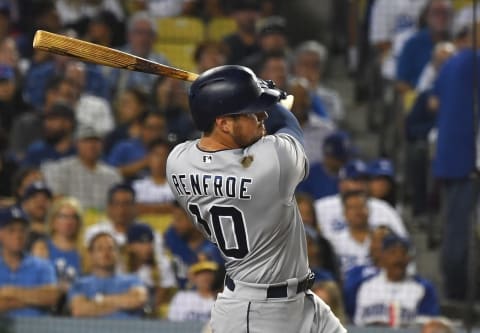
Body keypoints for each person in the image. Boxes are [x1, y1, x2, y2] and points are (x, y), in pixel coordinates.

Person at [166, 65, 345, 332]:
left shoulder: (177, 160)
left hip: (297, 301)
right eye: (251, 111)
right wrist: (268, 93)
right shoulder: (271, 162)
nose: (262, 114)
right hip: (259, 314)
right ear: (223, 123)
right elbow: (287, 122)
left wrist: (245, 90)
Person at [353, 233, 439, 327]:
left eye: (403, 253)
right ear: (383, 257)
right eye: (392, 252)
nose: (398, 258)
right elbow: (358, 324)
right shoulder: (366, 286)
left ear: (409, 259)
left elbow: (429, 327)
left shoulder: (423, 288)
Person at [68, 231, 147, 318]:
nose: (106, 253)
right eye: (100, 249)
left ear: (118, 254)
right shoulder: (80, 284)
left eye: (111, 248)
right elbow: (79, 310)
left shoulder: (133, 280)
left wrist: (100, 300)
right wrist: (123, 303)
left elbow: (137, 300)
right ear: (91, 254)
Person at [42, 125, 122, 211]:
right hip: (73, 220)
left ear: (102, 145)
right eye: (86, 141)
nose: (91, 145)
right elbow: (56, 200)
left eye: (95, 141)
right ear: (76, 144)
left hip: (105, 221)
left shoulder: (113, 174)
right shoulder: (62, 168)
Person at [0, 205, 60, 317]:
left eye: (22, 230)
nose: (18, 235)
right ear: (0, 233)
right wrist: (34, 298)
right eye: (11, 230)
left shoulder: (43, 266)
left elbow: (51, 297)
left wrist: (9, 292)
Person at [124, 223, 177, 317]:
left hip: (153, 316)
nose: (148, 247)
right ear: (130, 246)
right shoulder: (120, 266)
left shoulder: (162, 265)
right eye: (142, 242)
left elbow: (162, 297)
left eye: (150, 242)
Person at [132, 138, 176, 215]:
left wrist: (146, 208)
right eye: (157, 155)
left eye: (164, 155)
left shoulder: (179, 186)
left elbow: (179, 209)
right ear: (148, 158)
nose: (161, 160)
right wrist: (167, 208)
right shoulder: (137, 186)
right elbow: (134, 209)